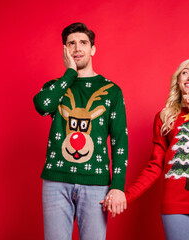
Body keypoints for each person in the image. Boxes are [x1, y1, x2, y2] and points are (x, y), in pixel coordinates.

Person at [103, 59, 189, 239]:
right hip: (175, 203)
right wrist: (127, 196)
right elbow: (155, 166)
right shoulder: (164, 117)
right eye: (185, 72)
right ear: (178, 80)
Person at [33, 22, 128, 240]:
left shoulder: (112, 91)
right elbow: (42, 106)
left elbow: (120, 140)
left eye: (83, 43)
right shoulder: (56, 86)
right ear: (65, 50)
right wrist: (69, 74)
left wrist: (118, 186)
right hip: (56, 182)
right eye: (71, 44)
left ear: (92, 49)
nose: (77, 48)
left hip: (96, 183)